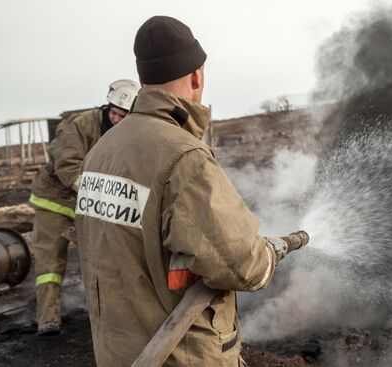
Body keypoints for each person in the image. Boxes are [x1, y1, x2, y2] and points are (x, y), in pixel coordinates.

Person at [74, 16, 307, 366]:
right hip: (179, 355)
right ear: (197, 75)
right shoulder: (183, 157)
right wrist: (268, 254)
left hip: (116, 351)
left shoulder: (100, 152)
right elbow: (242, 265)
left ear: (142, 80)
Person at [29, 79, 140, 336]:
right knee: (50, 261)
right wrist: (95, 193)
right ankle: (48, 319)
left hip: (87, 203)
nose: (116, 119)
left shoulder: (126, 134)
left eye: (123, 116)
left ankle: (104, 315)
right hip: (55, 200)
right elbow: (67, 164)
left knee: (101, 259)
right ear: (107, 106)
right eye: (113, 113)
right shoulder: (82, 124)